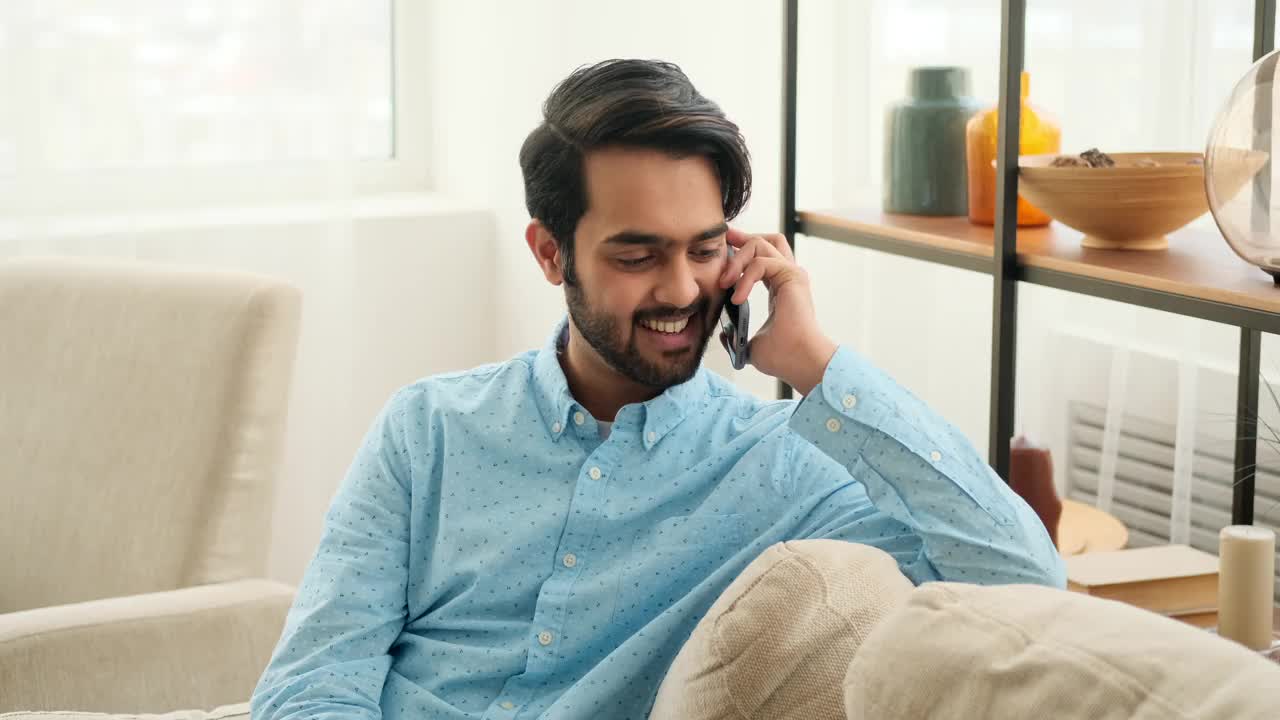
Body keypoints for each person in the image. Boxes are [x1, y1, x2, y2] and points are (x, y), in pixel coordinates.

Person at [251, 58, 1065, 720]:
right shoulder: (427, 428)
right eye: (637, 256)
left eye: (705, 249)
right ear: (550, 255)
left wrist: (816, 361)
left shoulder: (788, 468)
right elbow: (316, 679)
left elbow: (1024, 583)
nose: (681, 290)